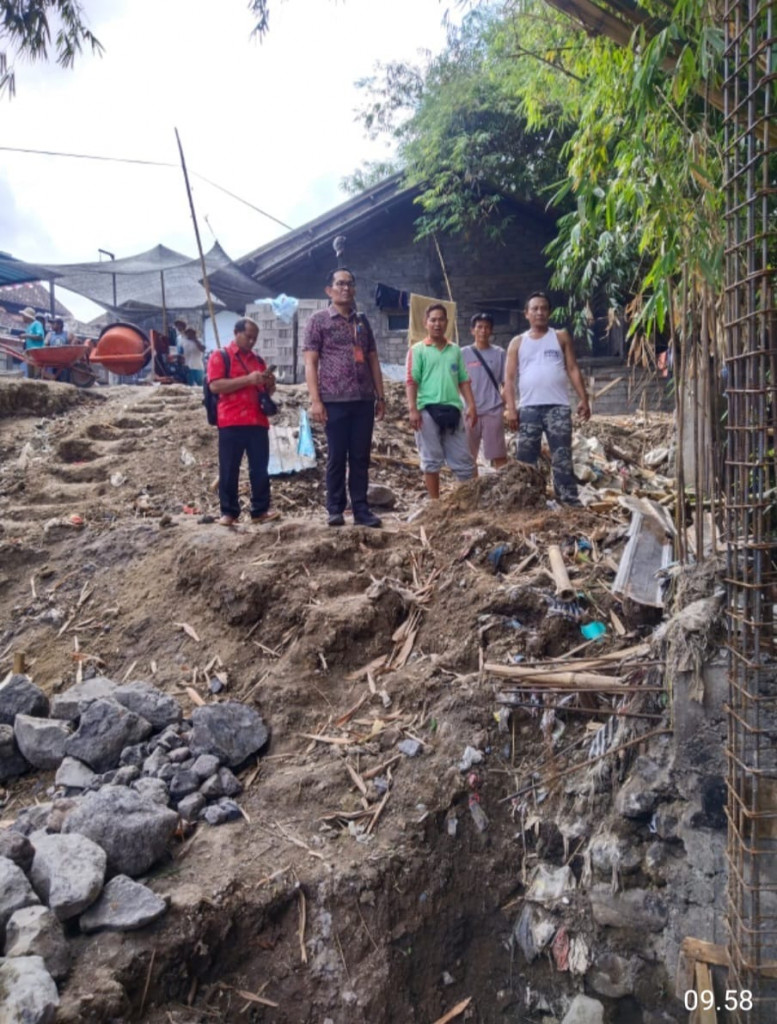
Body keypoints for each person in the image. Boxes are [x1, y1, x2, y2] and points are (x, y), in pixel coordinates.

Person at [303, 267, 385, 528]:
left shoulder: (362, 321)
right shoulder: (318, 321)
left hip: (363, 399)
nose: (345, 288)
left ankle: (361, 509)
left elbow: (372, 357)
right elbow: (310, 362)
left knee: (360, 456)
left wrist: (380, 396)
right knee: (337, 456)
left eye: (349, 283)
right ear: (329, 290)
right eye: (339, 284)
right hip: (334, 400)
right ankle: (335, 509)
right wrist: (316, 400)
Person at [504, 291, 591, 506]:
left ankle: (568, 500)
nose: (539, 312)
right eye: (534, 309)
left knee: (562, 456)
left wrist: (584, 399)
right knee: (526, 458)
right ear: (526, 314)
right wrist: (511, 409)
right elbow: (509, 377)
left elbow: (572, 368)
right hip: (529, 408)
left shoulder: (560, 336)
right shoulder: (517, 342)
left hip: (558, 407)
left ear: (549, 312)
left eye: (543, 308)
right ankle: (528, 501)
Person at [207, 317, 280, 527]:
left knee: (260, 468)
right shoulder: (221, 356)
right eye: (248, 337)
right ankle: (229, 512)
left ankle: (260, 510)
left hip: (257, 420)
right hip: (230, 420)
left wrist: (269, 384)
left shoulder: (258, 361)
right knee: (229, 468)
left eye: (254, 338)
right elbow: (215, 386)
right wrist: (248, 380)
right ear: (236, 333)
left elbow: (266, 392)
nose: (251, 342)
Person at [406, 303, 477, 500]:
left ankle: (467, 503)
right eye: (433, 320)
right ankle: (435, 503)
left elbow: (464, 380)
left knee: (463, 460)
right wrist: (413, 409)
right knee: (431, 460)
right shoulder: (418, 350)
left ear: (447, 322)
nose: (437, 324)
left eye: (441, 319)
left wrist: (471, 405)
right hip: (427, 411)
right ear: (426, 323)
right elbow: (412, 381)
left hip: (453, 409)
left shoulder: (455, 350)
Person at [461, 313, 508, 473]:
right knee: (467, 457)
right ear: (472, 331)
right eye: (479, 327)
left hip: (493, 411)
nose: (483, 331)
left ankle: (503, 488)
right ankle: (469, 489)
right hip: (468, 412)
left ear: (491, 331)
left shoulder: (499, 353)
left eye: (487, 327)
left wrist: (504, 405)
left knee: (499, 455)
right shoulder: (462, 354)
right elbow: (456, 382)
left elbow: (506, 383)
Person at [20, 306, 44, 379]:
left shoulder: (37, 324)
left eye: (23, 316)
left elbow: (40, 337)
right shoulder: (29, 326)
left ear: (27, 316)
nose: (22, 317)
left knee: (36, 374)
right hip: (30, 352)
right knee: (30, 374)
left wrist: (26, 335)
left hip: (37, 353)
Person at [45, 317, 72, 382]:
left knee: (63, 380)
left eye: (54, 324)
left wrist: (70, 348)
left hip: (63, 362)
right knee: (54, 379)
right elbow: (45, 345)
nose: (51, 326)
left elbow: (75, 341)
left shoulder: (67, 334)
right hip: (53, 361)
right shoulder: (50, 334)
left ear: (59, 325)